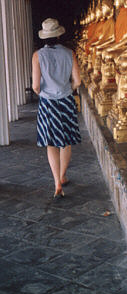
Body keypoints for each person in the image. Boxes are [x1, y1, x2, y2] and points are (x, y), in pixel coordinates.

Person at [32, 18, 81, 199]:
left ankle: (56, 181)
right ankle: (62, 175)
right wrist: (66, 89)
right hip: (66, 100)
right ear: (59, 34)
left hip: (47, 103)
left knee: (50, 142)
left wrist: (46, 93)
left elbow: (36, 86)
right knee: (65, 141)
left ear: (44, 37)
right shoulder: (70, 53)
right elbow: (78, 81)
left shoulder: (37, 56)